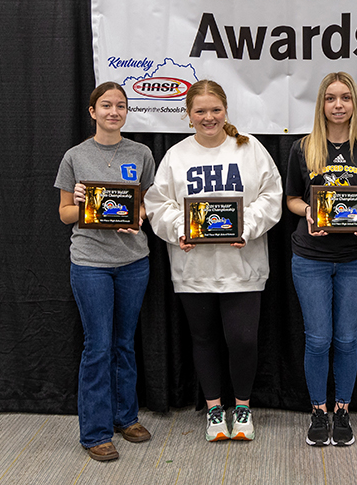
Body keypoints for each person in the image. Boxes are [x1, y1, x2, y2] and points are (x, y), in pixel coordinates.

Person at [145, 79, 282, 442]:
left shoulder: (250, 149)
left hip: (243, 266)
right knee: (203, 339)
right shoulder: (176, 156)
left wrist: (246, 227)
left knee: (243, 340)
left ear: (226, 111)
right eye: (200, 111)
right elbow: (158, 203)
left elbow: (271, 196)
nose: (209, 117)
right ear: (188, 116)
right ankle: (214, 410)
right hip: (194, 268)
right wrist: (180, 230)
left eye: (215, 110)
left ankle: (243, 407)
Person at [55, 82, 156, 462]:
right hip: (90, 264)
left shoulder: (141, 153)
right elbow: (64, 214)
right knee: (97, 347)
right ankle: (95, 432)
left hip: (134, 262)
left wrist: (138, 217)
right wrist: (82, 204)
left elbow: (147, 204)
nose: (114, 112)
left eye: (121, 106)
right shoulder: (75, 157)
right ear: (92, 111)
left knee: (124, 344)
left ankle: (125, 417)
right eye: (107, 105)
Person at [285, 72, 357, 447]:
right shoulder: (303, 148)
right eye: (330, 98)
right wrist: (309, 211)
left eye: (345, 98)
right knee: (318, 339)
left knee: (345, 339)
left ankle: (342, 411)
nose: (338, 105)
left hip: (356, 257)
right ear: (321, 104)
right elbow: (292, 197)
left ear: (355, 103)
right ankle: (317, 411)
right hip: (310, 256)